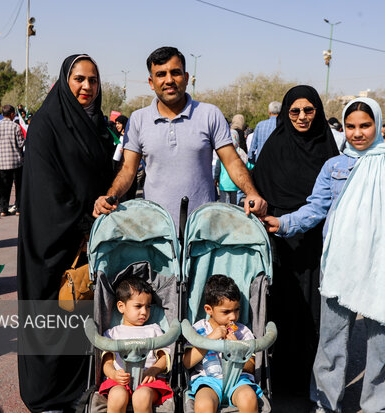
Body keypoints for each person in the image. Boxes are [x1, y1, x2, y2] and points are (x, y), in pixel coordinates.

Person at [263, 97, 385, 412]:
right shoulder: (335, 165)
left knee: (382, 344)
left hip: (383, 268)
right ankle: (325, 403)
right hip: (339, 264)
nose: (357, 133)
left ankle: (378, 406)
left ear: (378, 125)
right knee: (331, 342)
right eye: (351, 126)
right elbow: (315, 208)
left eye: (365, 125)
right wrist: (284, 223)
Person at [17, 54, 115, 413]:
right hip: (52, 236)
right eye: (79, 79)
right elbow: (46, 188)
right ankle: (47, 394)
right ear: (64, 80)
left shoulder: (98, 125)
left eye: (93, 79)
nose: (87, 87)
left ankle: (79, 388)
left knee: (83, 308)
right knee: (53, 309)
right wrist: (80, 223)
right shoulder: (47, 123)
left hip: (91, 236)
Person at [93, 47, 266, 224]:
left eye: (175, 72)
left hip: (202, 229)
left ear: (186, 77)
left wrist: (252, 193)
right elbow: (128, 168)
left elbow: (231, 161)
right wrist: (110, 196)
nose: (169, 80)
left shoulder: (209, 114)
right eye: (161, 74)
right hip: (155, 229)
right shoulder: (138, 119)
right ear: (151, 82)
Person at [252, 85, 339, 396]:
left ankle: (312, 381)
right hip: (280, 242)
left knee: (315, 312)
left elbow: (334, 200)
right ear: (286, 114)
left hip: (316, 243)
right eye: (295, 111)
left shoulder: (329, 151)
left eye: (309, 110)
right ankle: (278, 379)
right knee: (282, 307)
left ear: (318, 111)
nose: (302, 117)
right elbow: (259, 194)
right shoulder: (273, 148)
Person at [183, 274, 262, 413]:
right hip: (208, 381)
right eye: (226, 312)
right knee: (203, 404)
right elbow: (187, 362)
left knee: (249, 398)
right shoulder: (199, 329)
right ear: (209, 310)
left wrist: (238, 350)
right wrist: (209, 339)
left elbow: (251, 366)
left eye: (236, 310)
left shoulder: (243, 332)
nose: (233, 317)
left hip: (238, 379)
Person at [100, 277, 173, 413]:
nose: (144, 312)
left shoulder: (154, 329)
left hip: (149, 381)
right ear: (121, 307)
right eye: (138, 306)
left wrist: (153, 370)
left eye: (148, 306)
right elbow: (107, 362)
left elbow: (164, 357)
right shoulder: (112, 333)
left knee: (141, 397)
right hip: (120, 381)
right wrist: (113, 374)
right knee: (117, 396)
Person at [0, 104, 25, 216]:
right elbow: (20, 143)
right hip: (16, 162)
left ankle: (3, 210)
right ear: (12, 114)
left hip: (2, 163)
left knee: (4, 187)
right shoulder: (16, 127)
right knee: (19, 186)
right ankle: (18, 208)